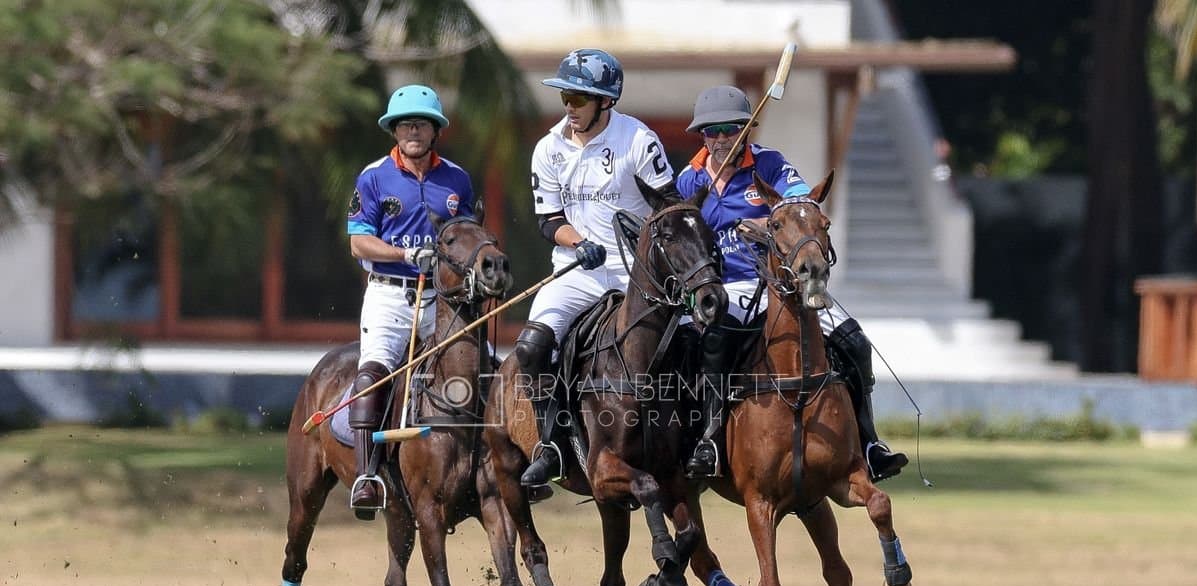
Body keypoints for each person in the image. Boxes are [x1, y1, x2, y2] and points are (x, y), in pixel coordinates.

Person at [675, 85, 907, 482]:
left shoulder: (769, 164)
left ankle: (869, 443)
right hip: (724, 286)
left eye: (728, 130)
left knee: (853, 340)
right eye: (710, 132)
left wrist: (765, 224)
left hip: (779, 283)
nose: (718, 140)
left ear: (745, 131)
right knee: (706, 345)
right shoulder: (688, 180)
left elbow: (804, 205)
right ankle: (709, 439)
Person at [516, 48, 682, 489]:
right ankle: (550, 444)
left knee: (690, 339)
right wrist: (579, 243)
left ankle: (701, 437)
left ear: (605, 101)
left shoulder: (639, 142)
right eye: (565, 97)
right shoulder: (548, 149)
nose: (568, 107)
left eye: (577, 98)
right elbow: (549, 220)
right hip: (577, 272)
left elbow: (668, 208)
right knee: (532, 347)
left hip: (638, 278)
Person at [344, 84, 475, 516]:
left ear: (435, 130)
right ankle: (368, 476)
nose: (413, 130)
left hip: (441, 298)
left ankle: (497, 464)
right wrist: (404, 254)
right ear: (394, 130)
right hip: (389, 295)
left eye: (421, 123)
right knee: (373, 376)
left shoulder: (457, 180)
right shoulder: (374, 176)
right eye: (404, 124)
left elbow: (467, 238)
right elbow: (359, 244)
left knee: (485, 366)